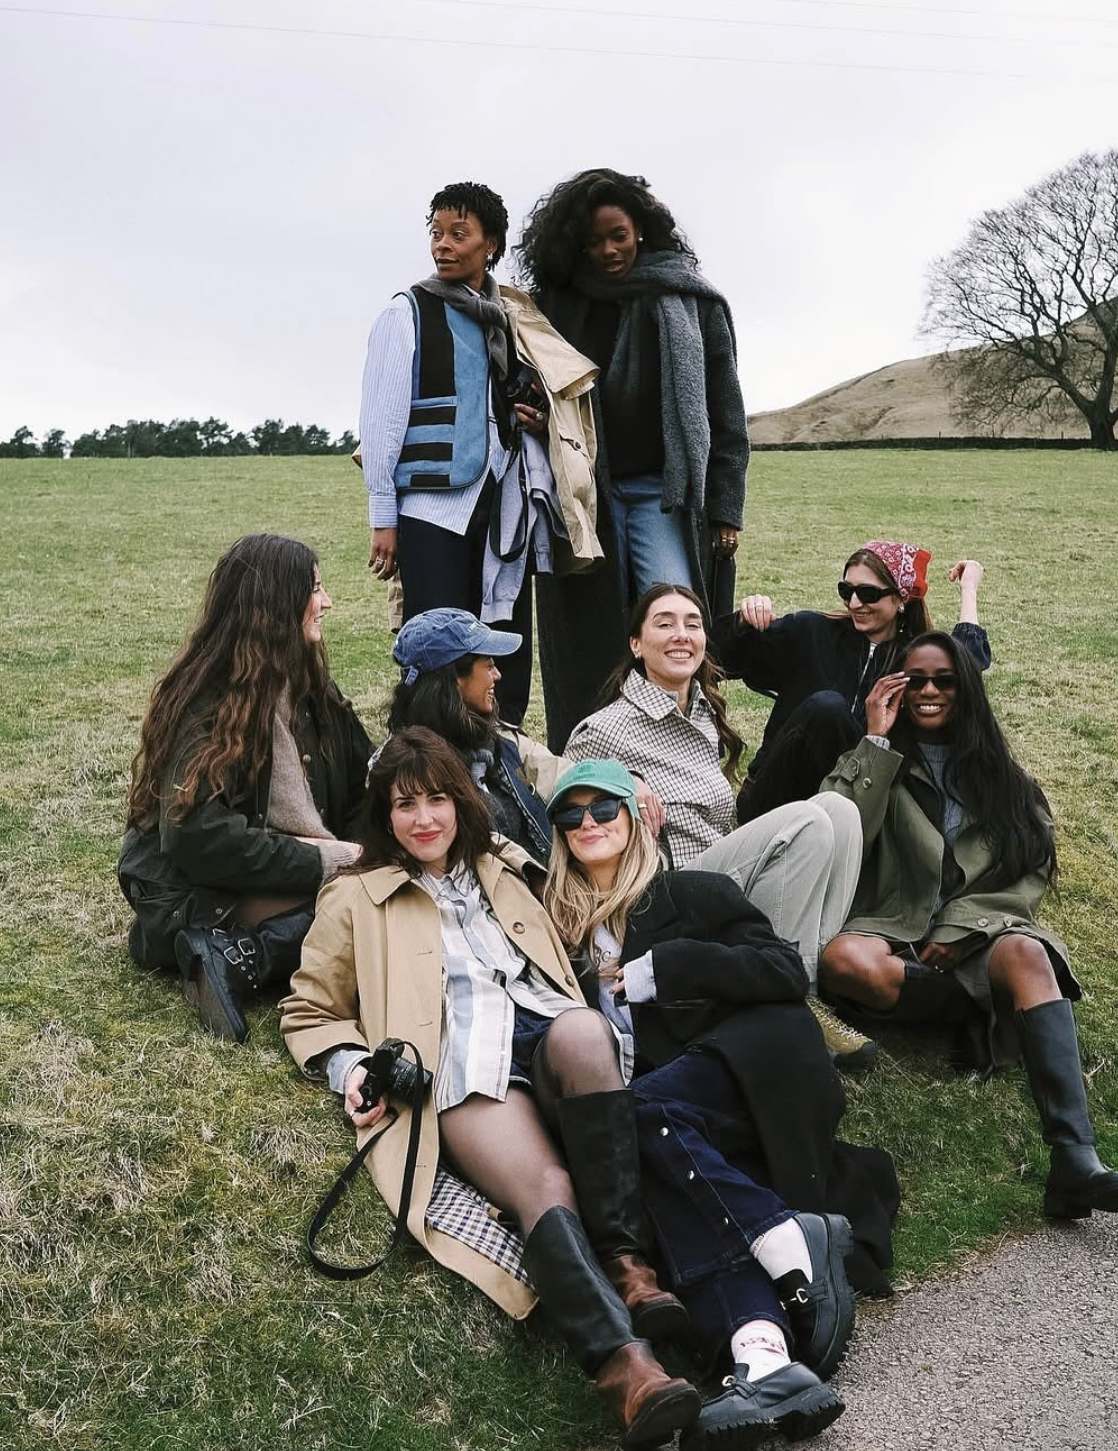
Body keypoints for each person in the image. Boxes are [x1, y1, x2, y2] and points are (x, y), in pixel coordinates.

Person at [280, 728, 702, 1449]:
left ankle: (631, 1268)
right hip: (464, 1064)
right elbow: (309, 1008)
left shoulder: (504, 866)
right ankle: (627, 1370)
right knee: (546, 1183)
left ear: (461, 801)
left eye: (437, 799)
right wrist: (351, 1066)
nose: (423, 819)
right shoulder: (353, 896)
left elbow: (585, 890)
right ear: (383, 815)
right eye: (405, 804)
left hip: (542, 1030)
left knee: (583, 1031)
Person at [544, 760, 901, 1446]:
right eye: (571, 815)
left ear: (634, 816)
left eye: (603, 809)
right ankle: (764, 1358)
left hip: (755, 1070)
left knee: (641, 1109)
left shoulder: (687, 893)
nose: (588, 824)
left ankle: (791, 1237)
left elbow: (783, 970)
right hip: (683, 1132)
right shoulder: (561, 944)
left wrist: (669, 967)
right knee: (667, 1209)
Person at [819, 632, 1118, 1219]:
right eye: (916, 680)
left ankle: (1074, 1160)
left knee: (1029, 957)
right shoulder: (876, 761)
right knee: (842, 962)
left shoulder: (1007, 780)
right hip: (891, 929)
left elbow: (1028, 873)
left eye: (944, 680)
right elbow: (838, 828)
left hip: (981, 936)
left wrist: (963, 930)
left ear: (966, 689)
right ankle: (973, 1014)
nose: (929, 691)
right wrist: (875, 739)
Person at [564, 584, 871, 1070]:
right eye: (663, 624)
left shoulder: (702, 711)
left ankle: (803, 986)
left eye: (692, 624)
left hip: (717, 875)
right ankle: (784, 995)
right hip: (668, 894)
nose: (681, 635)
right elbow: (568, 788)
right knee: (807, 820)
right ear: (635, 644)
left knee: (841, 811)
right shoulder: (607, 728)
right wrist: (621, 780)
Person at [516, 168, 749, 750]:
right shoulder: (553, 307)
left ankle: (686, 751)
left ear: (640, 230)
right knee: (588, 638)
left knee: (673, 622)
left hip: (661, 493)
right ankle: (591, 760)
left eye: (617, 234)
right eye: (593, 241)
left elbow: (726, 412)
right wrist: (541, 416)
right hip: (580, 494)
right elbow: (532, 385)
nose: (607, 250)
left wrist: (725, 508)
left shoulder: (693, 301)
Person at [117, 534, 371, 1044]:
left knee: (377, 900)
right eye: (315, 589)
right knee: (360, 919)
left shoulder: (310, 688)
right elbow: (197, 836)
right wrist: (330, 861)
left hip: (276, 873)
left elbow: (367, 783)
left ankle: (233, 956)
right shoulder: (210, 704)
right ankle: (227, 956)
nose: (327, 602)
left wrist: (369, 850)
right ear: (277, 604)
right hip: (193, 893)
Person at [359, 180, 547, 724]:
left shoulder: (512, 317)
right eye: (436, 233)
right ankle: (426, 754)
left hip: (505, 503)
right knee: (436, 645)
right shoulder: (406, 313)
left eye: (458, 234)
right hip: (433, 507)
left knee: (503, 634)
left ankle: (500, 752)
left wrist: (528, 413)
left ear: (491, 244)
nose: (443, 245)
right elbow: (382, 421)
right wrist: (384, 519)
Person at [711, 541, 989, 822]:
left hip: (852, 810)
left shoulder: (912, 661)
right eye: (847, 591)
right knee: (827, 709)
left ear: (901, 598)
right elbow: (714, 656)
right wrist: (743, 622)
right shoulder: (811, 632)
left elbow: (965, 667)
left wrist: (969, 590)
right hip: (773, 803)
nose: (855, 603)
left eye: (868, 593)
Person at [384, 606, 667, 863]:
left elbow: (554, 769)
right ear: (455, 680)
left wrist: (624, 780)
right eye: (488, 665)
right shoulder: (410, 768)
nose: (498, 676)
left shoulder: (493, 738)